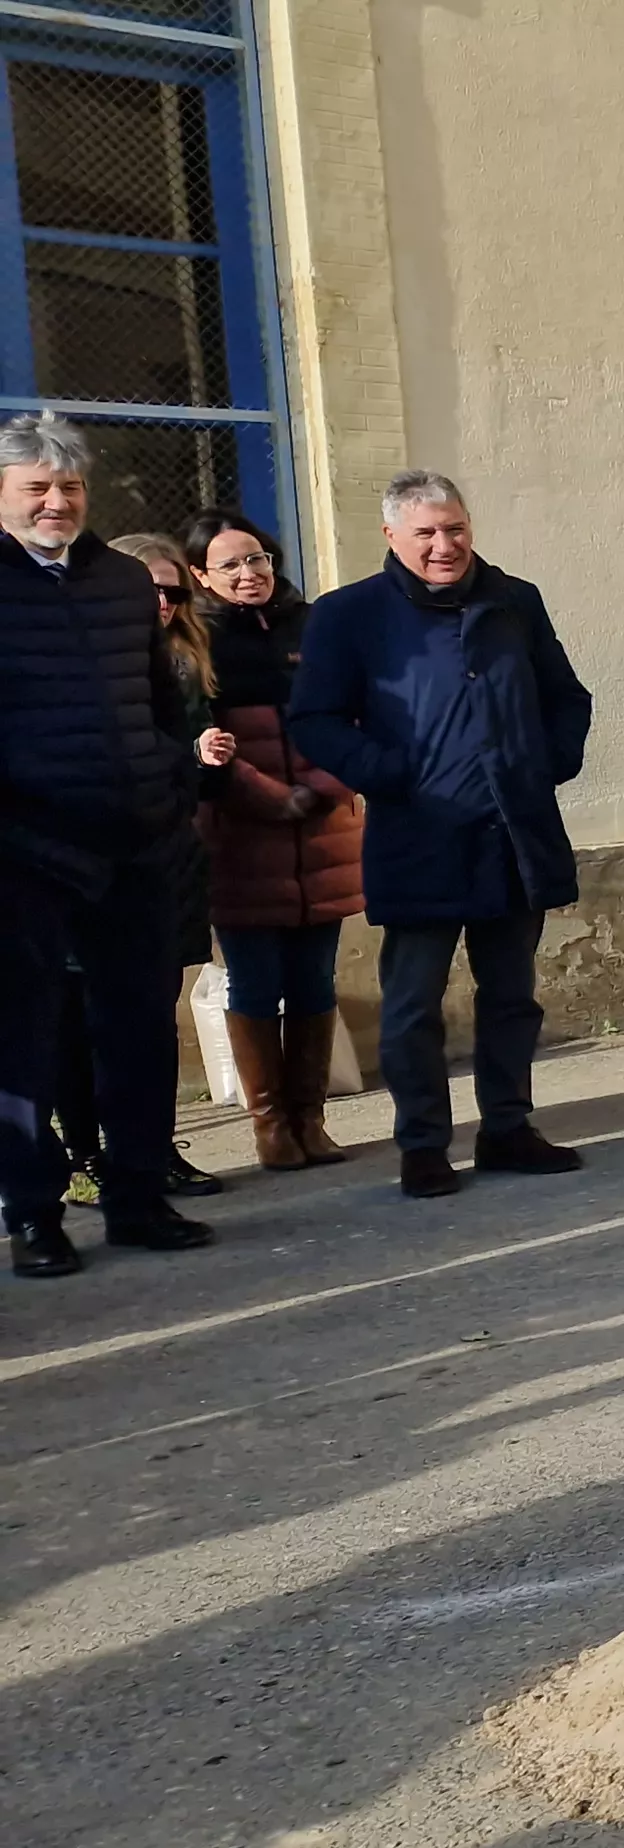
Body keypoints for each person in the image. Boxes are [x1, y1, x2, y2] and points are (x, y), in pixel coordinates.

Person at [289, 470, 593, 1200]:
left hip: (513, 833)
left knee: (512, 994)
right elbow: (316, 720)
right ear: (392, 536)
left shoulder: (514, 600)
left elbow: (567, 697)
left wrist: (541, 763)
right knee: (413, 1003)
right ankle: (423, 1143)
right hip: (418, 834)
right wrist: (392, 774)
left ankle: (507, 1127)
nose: (443, 545)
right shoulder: (348, 614)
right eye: (425, 532)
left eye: (454, 529)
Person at [1, 414, 217, 1275]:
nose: (57, 503)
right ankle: (33, 1213)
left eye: (71, 488)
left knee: (137, 1029)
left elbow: (163, 704)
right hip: (24, 851)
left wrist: (168, 784)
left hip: (134, 843)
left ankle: (136, 1196)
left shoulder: (126, 581)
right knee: (22, 1041)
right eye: (37, 489)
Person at [184, 512, 363, 1172]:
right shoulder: (194, 642)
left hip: (324, 834)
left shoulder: (314, 625)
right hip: (242, 841)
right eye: (228, 564)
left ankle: (311, 1120)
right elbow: (204, 745)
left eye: (256, 559)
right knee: (256, 983)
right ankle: (271, 1126)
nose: (248, 573)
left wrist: (316, 788)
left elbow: (355, 717)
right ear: (200, 574)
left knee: (315, 980)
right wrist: (270, 796)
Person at [107, 531, 237, 1194]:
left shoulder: (186, 658)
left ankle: (155, 1150)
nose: (164, 603)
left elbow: (182, 772)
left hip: (173, 849)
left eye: (174, 592)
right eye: (150, 589)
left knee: (160, 1008)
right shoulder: (96, 659)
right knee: (103, 1019)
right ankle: (98, 1158)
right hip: (105, 859)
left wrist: (205, 756)